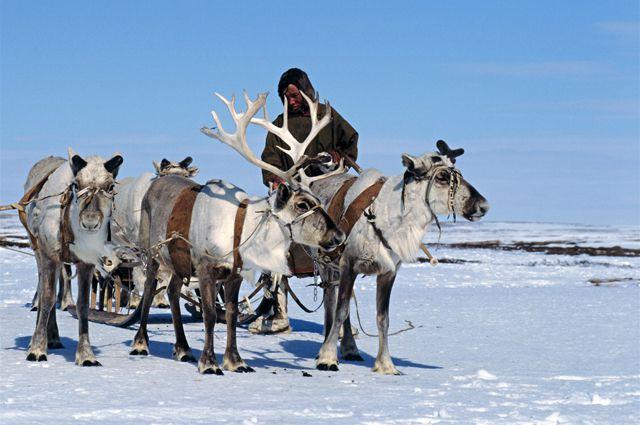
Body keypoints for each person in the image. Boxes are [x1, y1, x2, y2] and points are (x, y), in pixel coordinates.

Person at [248, 68, 359, 334]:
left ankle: (342, 321)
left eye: (295, 94)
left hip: (328, 189)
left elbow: (350, 142)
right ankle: (279, 313)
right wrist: (273, 177)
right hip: (293, 194)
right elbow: (270, 158)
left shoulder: (326, 115)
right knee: (274, 248)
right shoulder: (279, 124)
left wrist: (336, 157)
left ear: (305, 90)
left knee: (337, 258)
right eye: (286, 96)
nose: (291, 100)